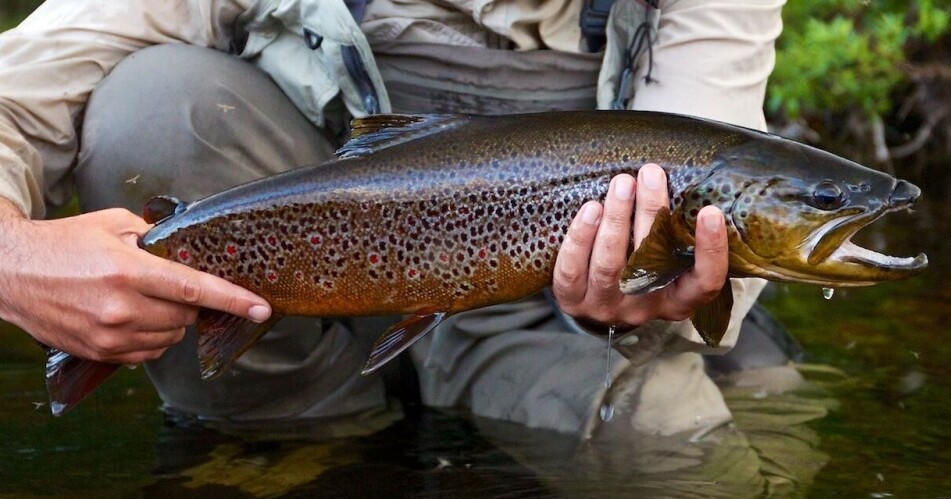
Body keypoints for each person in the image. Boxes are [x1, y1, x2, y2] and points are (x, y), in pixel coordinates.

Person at [0, 0, 788, 437]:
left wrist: (654, 300)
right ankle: (289, 440)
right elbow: (18, 89)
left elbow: (717, 170)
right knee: (152, 108)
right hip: (311, 276)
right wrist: (15, 258)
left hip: (550, 317)